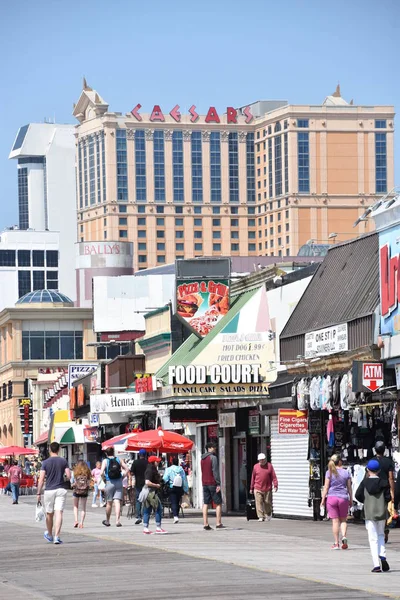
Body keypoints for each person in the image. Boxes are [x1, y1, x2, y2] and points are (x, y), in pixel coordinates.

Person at [355, 459, 391, 572]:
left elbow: (358, 495)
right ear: (379, 470)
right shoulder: (384, 483)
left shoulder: (364, 483)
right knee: (381, 535)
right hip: (381, 513)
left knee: (372, 538)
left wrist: (366, 501)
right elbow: (388, 497)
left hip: (369, 513)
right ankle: (383, 555)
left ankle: (376, 565)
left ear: (367, 470)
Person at [37, 442, 71, 545]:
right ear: (59, 449)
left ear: (50, 450)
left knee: (49, 513)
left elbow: (41, 479)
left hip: (49, 490)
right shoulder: (63, 461)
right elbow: (69, 476)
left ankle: (50, 535)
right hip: (61, 489)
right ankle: (57, 536)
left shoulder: (45, 463)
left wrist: (38, 493)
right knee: (59, 512)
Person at [320, 454, 352, 550]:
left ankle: (336, 543)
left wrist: (322, 500)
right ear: (340, 462)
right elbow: (349, 488)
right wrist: (351, 499)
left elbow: (326, 487)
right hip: (343, 498)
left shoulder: (329, 472)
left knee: (335, 521)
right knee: (343, 520)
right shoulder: (346, 472)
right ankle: (344, 537)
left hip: (332, 498)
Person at [100, 447, 128, 527]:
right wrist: (122, 477)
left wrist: (104, 480)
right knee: (117, 502)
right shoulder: (119, 460)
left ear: (106, 453)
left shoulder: (105, 461)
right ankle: (117, 521)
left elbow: (101, 472)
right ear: (113, 452)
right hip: (119, 482)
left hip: (109, 482)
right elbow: (127, 469)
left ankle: (108, 521)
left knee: (109, 502)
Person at [374, 441, 395, 543]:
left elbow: (368, 476)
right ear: (384, 450)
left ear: (375, 449)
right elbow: (391, 478)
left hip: (374, 490)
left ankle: (377, 531)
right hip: (385, 489)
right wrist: (392, 491)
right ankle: (385, 530)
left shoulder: (372, 461)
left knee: (375, 511)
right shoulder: (388, 462)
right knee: (385, 511)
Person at [201, 442, 225, 530]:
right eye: (214, 447)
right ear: (210, 448)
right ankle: (218, 522)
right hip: (212, 483)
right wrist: (218, 483)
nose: (215, 449)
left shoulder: (202, 459)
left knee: (206, 503)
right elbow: (215, 471)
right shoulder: (213, 458)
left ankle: (205, 523)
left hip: (204, 483)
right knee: (218, 502)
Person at [250, 453, 278, 522]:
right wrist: (251, 487)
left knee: (267, 502)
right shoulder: (255, 467)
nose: (262, 461)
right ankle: (260, 516)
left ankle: (267, 514)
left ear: (265, 459)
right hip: (257, 488)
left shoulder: (269, 466)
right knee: (258, 502)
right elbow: (253, 478)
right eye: (260, 460)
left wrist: (275, 485)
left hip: (267, 488)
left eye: (263, 460)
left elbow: (273, 476)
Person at [142, 455, 167, 534]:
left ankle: (145, 528)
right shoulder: (150, 470)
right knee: (158, 508)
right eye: (157, 461)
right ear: (153, 462)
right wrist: (156, 485)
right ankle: (158, 527)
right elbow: (147, 482)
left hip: (147, 491)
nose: (158, 462)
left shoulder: (150, 469)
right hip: (151, 492)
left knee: (147, 510)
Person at [163, 457, 188, 523]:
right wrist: (185, 489)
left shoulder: (168, 469)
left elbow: (165, 479)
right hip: (179, 488)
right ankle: (176, 514)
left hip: (172, 487)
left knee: (173, 502)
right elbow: (184, 479)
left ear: (172, 462)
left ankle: (175, 516)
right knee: (177, 502)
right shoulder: (181, 470)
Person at [129, 449, 148, 525]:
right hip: (146, 483)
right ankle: (144, 514)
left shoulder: (135, 462)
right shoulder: (147, 463)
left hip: (138, 483)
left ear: (139, 455)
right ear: (145, 455)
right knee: (145, 500)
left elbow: (132, 472)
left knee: (138, 500)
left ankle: (138, 516)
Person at [72, 460, 91, 528]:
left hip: (76, 491)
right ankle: (81, 523)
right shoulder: (87, 473)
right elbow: (89, 482)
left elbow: (73, 481)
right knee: (83, 508)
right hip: (84, 491)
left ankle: (76, 520)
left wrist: (73, 485)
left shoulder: (76, 473)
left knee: (75, 506)